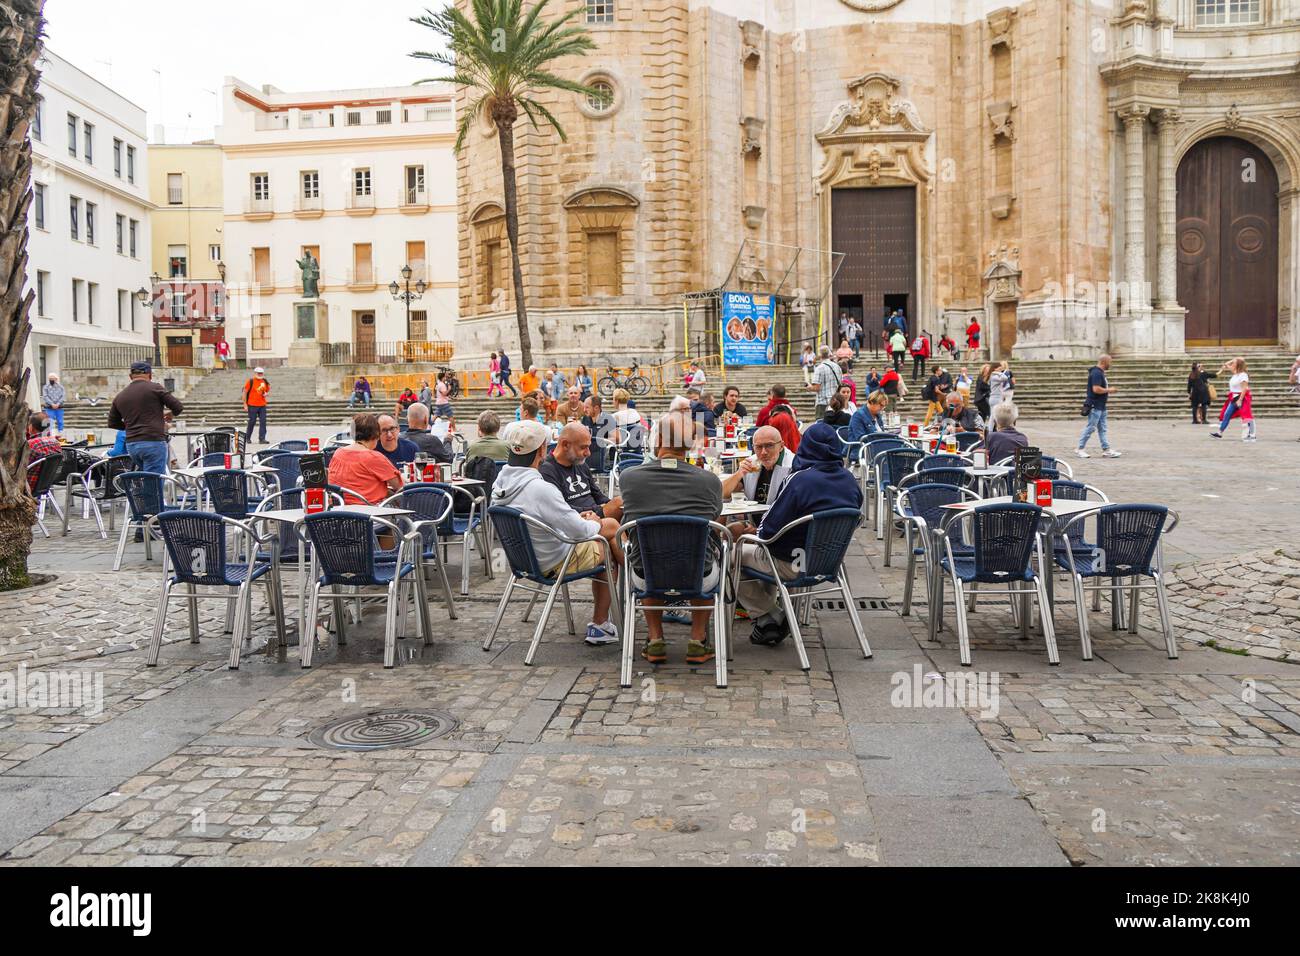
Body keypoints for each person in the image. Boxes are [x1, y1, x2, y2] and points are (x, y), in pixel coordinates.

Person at [492, 419, 622, 646]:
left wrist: (588, 517)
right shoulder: (541, 488)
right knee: (609, 534)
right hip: (554, 561)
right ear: (542, 449)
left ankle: (636, 589)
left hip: (524, 559)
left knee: (608, 528)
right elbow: (580, 531)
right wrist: (595, 520)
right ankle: (609, 617)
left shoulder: (500, 483)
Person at [735, 422, 862, 646]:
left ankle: (771, 615)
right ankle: (770, 617)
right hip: (828, 562)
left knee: (731, 553)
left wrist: (754, 531)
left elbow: (767, 531)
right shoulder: (850, 481)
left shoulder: (800, 480)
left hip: (793, 563)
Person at [619, 411, 724, 665]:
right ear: (688, 446)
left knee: (648, 554)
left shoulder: (629, 478)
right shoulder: (710, 481)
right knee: (705, 550)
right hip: (698, 574)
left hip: (647, 576)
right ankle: (697, 641)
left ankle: (655, 639)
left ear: (656, 442)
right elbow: (715, 520)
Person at [108, 361, 183, 475]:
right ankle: (150, 493)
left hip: (132, 445)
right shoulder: (155, 388)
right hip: (153, 442)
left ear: (130, 376)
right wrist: (170, 414)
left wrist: (131, 426)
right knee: (154, 482)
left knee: (146, 478)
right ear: (150, 375)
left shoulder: (121, 395)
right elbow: (178, 407)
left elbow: (112, 423)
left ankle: (144, 492)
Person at [539, 422, 623, 521]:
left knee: (627, 504)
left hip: (595, 516)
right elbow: (561, 509)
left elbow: (597, 495)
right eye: (583, 447)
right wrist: (601, 509)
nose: (588, 453)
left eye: (589, 447)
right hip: (578, 520)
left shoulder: (580, 463)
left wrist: (609, 504)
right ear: (565, 445)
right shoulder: (547, 470)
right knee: (619, 506)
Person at [329, 414, 404, 504]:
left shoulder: (338, 452)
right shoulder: (373, 457)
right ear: (377, 435)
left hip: (339, 511)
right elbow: (399, 486)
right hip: (368, 512)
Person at [721, 424, 795, 505]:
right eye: (759, 447)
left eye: (769, 445)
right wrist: (739, 474)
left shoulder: (794, 466)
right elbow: (722, 494)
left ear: (781, 446)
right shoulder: (751, 463)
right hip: (754, 515)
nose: (764, 452)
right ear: (753, 448)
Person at [1077, 353, 1121, 458]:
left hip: (1101, 406)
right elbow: (1096, 389)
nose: (1110, 364)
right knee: (1091, 428)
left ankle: (1106, 449)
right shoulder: (1096, 373)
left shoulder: (1099, 372)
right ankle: (1080, 449)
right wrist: (1109, 390)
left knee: (1102, 428)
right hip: (1094, 405)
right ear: (1104, 362)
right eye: (1110, 362)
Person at [1211, 356, 1256, 442]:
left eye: (1234, 363)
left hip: (1242, 397)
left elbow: (1244, 389)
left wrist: (1240, 400)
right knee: (1226, 414)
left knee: (1246, 416)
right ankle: (1219, 433)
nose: (1232, 364)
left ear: (1238, 365)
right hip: (1234, 397)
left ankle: (1251, 435)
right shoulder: (1236, 373)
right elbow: (1226, 364)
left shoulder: (1243, 375)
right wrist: (1234, 359)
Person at [805, 344, 842, 422]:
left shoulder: (819, 368)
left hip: (823, 402)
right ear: (829, 354)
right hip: (836, 401)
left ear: (820, 355)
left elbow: (816, 388)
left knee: (821, 426)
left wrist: (809, 387)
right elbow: (840, 383)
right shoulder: (837, 366)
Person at [25, 413, 61, 490]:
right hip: (48, 482)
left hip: (29, 485)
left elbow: (22, 467)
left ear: (30, 427)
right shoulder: (56, 442)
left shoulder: (31, 444)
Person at [242, 367, 270, 445]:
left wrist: (266, 394)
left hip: (262, 405)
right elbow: (244, 392)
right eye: (259, 373)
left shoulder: (265, 381)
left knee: (263, 422)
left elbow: (266, 390)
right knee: (252, 422)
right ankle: (247, 437)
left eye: (261, 373)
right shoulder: (250, 381)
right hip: (252, 405)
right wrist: (245, 404)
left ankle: (262, 439)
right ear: (255, 373)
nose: (260, 374)